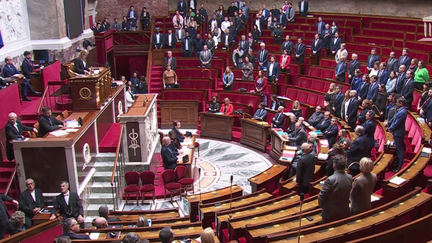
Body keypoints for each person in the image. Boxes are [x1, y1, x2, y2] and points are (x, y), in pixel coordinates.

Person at [318, 154, 352, 223]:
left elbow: (321, 197)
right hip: (344, 212)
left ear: (334, 165)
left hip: (331, 214)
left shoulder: (330, 180)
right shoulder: (349, 177)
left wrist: (321, 206)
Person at [389, 97, 408, 172]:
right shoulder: (399, 110)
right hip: (396, 132)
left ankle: (399, 167)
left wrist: (391, 128)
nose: (396, 103)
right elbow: (394, 119)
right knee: (398, 149)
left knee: (399, 150)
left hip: (399, 133)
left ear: (401, 103)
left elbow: (397, 122)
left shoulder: (403, 112)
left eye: (397, 102)